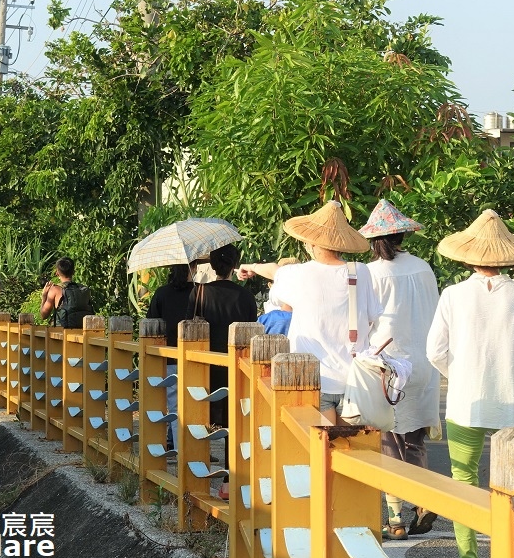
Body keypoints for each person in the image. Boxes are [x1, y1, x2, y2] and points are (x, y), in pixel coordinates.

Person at [425, 209, 514, 558]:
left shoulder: (453, 294)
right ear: (507, 256)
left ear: (468, 256)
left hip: (466, 401)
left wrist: (461, 374)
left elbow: (435, 351)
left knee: (463, 479)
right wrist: (513, 363)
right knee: (513, 484)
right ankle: (512, 556)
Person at [360, 199, 441, 540]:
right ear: (403, 235)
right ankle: (422, 501)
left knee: (389, 444)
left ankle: (395, 519)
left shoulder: (370, 273)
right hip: (423, 363)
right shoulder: (423, 268)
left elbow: (363, 321)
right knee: (415, 441)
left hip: (389, 365)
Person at [270, 200, 382, 423]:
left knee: (321, 452)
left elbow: (279, 294)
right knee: (352, 451)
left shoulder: (294, 274)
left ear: (311, 243)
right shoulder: (360, 271)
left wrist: (251, 268)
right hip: (354, 380)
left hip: (312, 379)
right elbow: (372, 318)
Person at [187, 243, 257, 498]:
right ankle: (230, 481)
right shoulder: (246, 297)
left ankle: (196, 478)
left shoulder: (200, 292)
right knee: (235, 424)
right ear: (234, 265)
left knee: (198, 418)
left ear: (213, 265)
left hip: (206, 366)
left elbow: (188, 328)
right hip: (238, 367)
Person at [146, 264, 194, 450]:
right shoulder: (198, 292)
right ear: (193, 269)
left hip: (166, 356)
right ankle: (190, 450)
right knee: (194, 408)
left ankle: (175, 449)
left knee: (173, 407)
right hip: (194, 357)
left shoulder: (161, 293)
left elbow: (151, 323)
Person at [39, 258, 94, 328]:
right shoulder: (85, 289)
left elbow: (43, 315)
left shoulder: (55, 290)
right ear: (73, 272)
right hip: (83, 332)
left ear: (57, 273)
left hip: (62, 334)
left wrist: (44, 296)